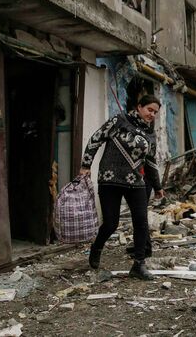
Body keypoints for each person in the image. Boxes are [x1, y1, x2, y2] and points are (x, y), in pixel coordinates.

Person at [80, 94, 165, 280]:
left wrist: (158, 186)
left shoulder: (150, 133)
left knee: (141, 222)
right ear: (139, 106)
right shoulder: (120, 120)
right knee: (111, 223)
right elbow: (96, 139)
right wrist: (86, 166)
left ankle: (139, 265)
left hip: (136, 182)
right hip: (109, 180)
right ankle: (97, 247)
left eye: (155, 112)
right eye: (149, 110)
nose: (152, 114)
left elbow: (150, 161)